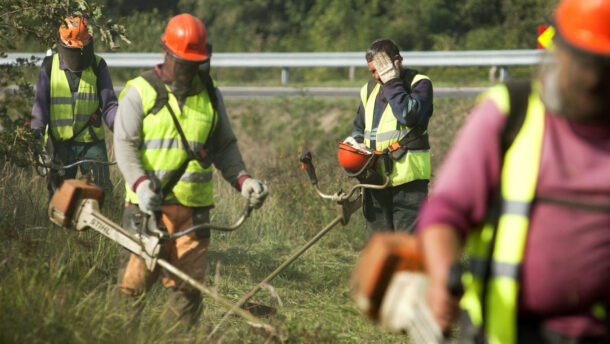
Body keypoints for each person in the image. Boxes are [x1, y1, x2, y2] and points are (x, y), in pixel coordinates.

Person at [416, 0, 610, 342]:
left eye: (602, 72)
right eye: (585, 68)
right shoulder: (511, 114)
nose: (591, 84)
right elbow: (447, 210)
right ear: (560, 53)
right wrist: (442, 275)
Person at [112, 13, 269, 328]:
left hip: (194, 213)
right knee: (133, 285)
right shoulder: (140, 91)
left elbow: (224, 146)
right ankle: (116, 334)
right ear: (166, 53)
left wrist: (244, 180)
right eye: (183, 62)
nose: (188, 70)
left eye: (194, 63)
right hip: (148, 211)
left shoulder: (210, 94)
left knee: (188, 290)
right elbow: (124, 144)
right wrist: (141, 186)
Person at [347, 38, 433, 234]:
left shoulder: (419, 84)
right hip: (375, 182)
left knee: (407, 250)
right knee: (380, 249)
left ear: (397, 60)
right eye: (373, 71)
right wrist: (354, 147)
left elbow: (408, 115)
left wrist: (392, 81)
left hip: (409, 184)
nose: (377, 76)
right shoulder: (368, 90)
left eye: (380, 69)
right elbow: (359, 129)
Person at [31, 16, 117, 196]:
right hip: (59, 144)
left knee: (102, 192)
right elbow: (40, 106)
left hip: (91, 142)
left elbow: (109, 105)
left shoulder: (98, 65)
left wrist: (121, 127)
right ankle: (58, 225)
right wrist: (36, 134)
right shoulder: (49, 66)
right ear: (62, 45)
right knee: (59, 196)